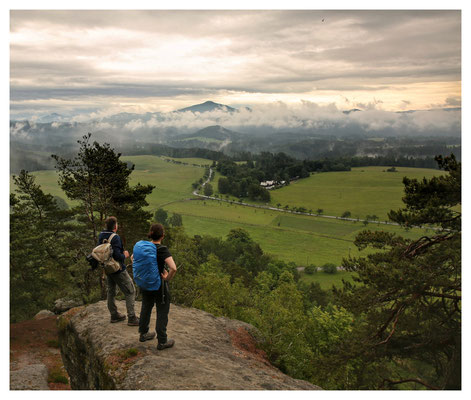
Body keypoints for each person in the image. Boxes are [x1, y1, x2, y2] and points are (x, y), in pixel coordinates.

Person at [134, 223, 177, 350]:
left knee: (146, 307)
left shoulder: (144, 247)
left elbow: (132, 258)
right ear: (162, 236)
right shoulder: (162, 249)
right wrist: (167, 278)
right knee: (162, 310)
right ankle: (162, 341)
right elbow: (173, 268)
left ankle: (143, 334)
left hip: (146, 282)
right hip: (159, 286)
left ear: (150, 234)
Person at [98, 216, 139, 326]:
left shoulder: (101, 235)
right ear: (115, 226)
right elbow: (117, 255)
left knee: (111, 291)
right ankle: (132, 317)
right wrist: (124, 255)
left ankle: (114, 315)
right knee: (130, 290)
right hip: (118, 269)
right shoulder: (115, 237)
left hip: (107, 268)